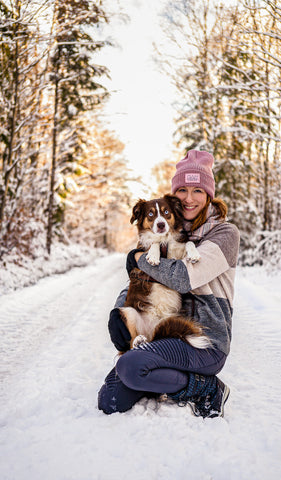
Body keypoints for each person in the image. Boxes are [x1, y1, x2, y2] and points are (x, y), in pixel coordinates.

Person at [98, 149, 240, 418]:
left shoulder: (225, 233)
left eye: (197, 190)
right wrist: (121, 312)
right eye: (182, 190)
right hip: (163, 335)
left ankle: (207, 388)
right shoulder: (168, 230)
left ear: (209, 194)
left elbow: (183, 277)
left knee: (131, 367)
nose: (189, 198)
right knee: (110, 400)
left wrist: (138, 258)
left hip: (204, 342)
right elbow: (142, 283)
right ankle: (163, 376)